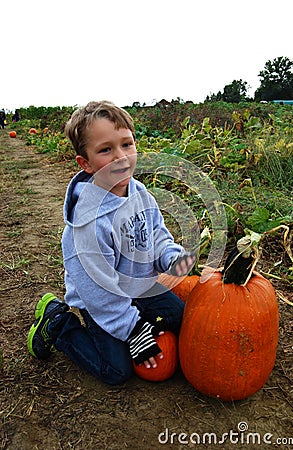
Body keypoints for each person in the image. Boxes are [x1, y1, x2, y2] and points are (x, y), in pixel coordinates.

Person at [27, 100, 196, 385]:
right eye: (106, 150)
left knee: (180, 316)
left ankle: (136, 321)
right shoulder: (89, 223)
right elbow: (98, 290)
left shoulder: (139, 192)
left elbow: (155, 234)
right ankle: (59, 324)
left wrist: (169, 256)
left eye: (126, 144)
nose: (121, 157)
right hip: (100, 299)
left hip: (138, 286)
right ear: (86, 163)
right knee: (116, 370)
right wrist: (131, 329)